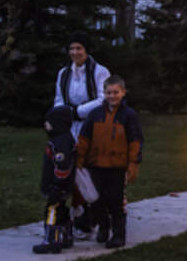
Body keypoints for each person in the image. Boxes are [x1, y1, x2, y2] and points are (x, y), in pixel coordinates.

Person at [76, 76, 142, 249]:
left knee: (116, 202)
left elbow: (135, 140)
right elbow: (84, 138)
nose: (112, 96)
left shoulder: (129, 115)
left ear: (123, 92)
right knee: (97, 201)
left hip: (117, 167)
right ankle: (103, 229)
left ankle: (119, 235)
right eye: (108, 92)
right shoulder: (95, 114)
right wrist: (80, 159)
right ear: (103, 93)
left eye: (116, 92)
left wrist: (133, 163)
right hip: (95, 165)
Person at [53, 38, 110, 233]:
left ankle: (99, 213)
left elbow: (104, 99)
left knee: (91, 170)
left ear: (86, 50)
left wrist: (79, 111)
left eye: (79, 48)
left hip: (92, 125)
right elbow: (59, 99)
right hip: (70, 128)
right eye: (71, 48)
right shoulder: (64, 73)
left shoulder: (99, 71)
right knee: (73, 170)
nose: (75, 52)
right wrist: (63, 115)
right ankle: (79, 212)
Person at [32, 105, 77, 254]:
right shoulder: (62, 139)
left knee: (52, 211)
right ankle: (66, 236)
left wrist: (57, 186)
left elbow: (63, 167)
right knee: (62, 209)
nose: (45, 124)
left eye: (48, 121)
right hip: (61, 186)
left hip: (58, 186)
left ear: (58, 123)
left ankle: (51, 240)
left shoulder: (60, 143)